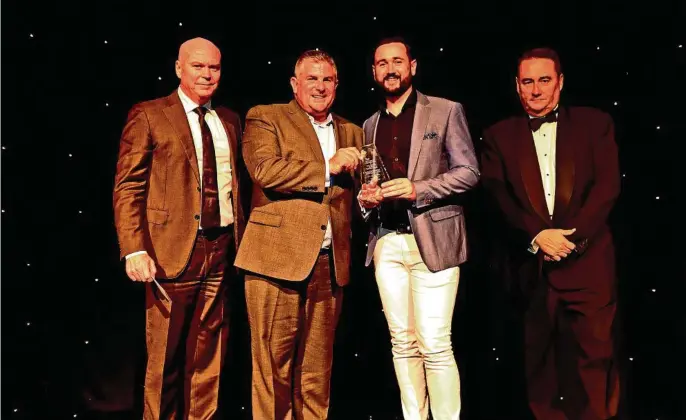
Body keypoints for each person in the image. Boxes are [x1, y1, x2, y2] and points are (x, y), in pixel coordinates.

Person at [480, 47, 621, 420]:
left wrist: (570, 240)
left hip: (589, 266)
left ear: (560, 82)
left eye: (545, 80)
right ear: (517, 86)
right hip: (533, 272)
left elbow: (607, 188)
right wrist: (538, 236)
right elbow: (498, 197)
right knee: (539, 371)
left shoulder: (595, 124)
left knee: (594, 364)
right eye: (528, 82)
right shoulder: (498, 135)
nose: (537, 90)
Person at [113, 37, 246, 419]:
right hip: (168, 253)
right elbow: (129, 185)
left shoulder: (230, 120)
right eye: (198, 66)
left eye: (214, 68)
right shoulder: (151, 114)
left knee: (208, 356)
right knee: (165, 360)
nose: (207, 74)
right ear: (178, 68)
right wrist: (133, 248)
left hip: (221, 248)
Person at [233, 49, 363, 420]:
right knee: (272, 369)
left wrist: (369, 198)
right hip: (276, 261)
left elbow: (358, 197)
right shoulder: (267, 116)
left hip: (329, 265)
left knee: (316, 373)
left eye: (327, 80)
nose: (320, 87)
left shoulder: (352, 131)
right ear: (294, 84)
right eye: (312, 79)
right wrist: (327, 166)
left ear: (337, 85)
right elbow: (264, 169)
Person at [357, 37, 480, 420]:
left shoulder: (444, 110)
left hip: (433, 241)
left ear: (412, 66)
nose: (390, 68)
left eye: (397, 61)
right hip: (386, 245)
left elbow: (469, 173)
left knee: (435, 344)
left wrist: (418, 189)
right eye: (382, 63)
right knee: (402, 344)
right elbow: (367, 183)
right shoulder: (368, 125)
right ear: (374, 71)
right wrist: (365, 198)